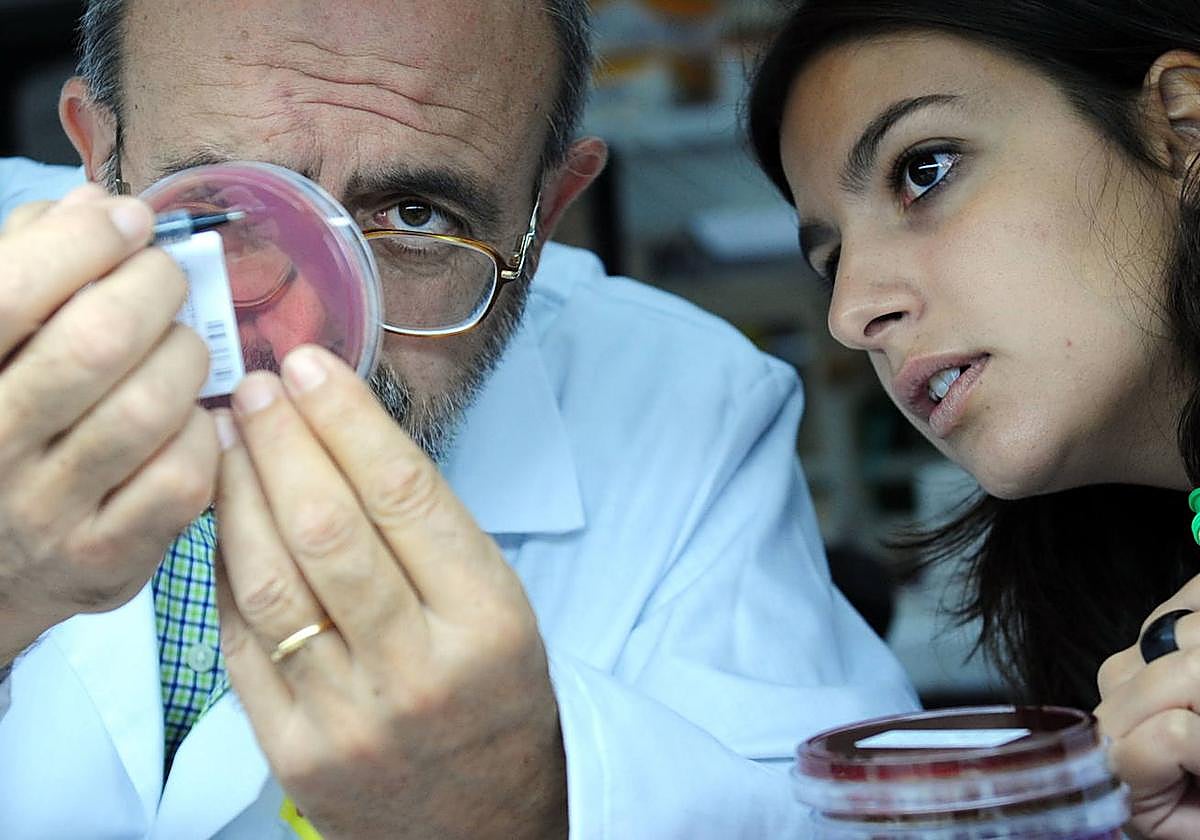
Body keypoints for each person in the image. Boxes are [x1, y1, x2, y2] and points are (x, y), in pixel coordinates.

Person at [0, 0, 919, 836]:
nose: (308, 333)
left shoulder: (688, 408)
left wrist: (524, 801)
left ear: (546, 214)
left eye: (415, 216)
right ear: (97, 153)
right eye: (230, 205)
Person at [747, 0, 1200, 835]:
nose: (851, 314)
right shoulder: (1120, 610)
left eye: (924, 169)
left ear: (1181, 126)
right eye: (833, 259)